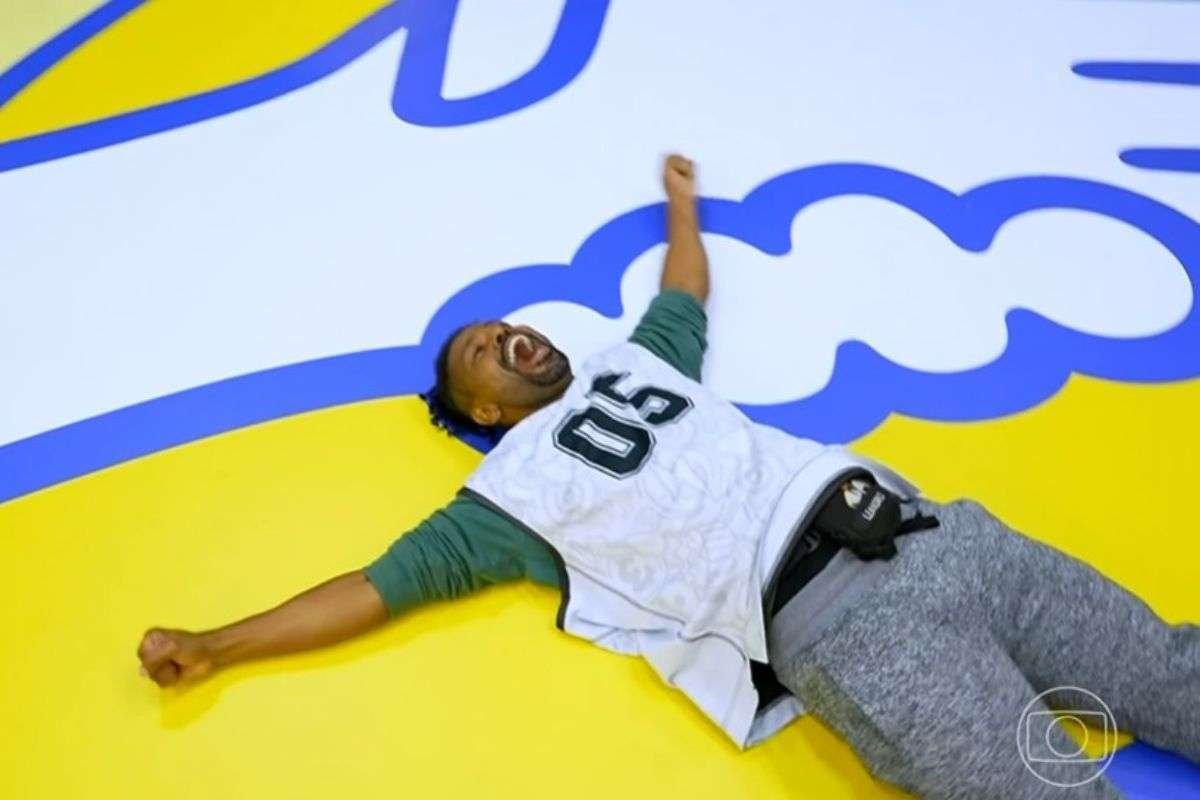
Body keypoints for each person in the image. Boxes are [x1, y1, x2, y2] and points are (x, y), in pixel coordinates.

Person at [137, 155, 1199, 799]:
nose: (507, 337)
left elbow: (681, 291)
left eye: (506, 327)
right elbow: (373, 587)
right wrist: (216, 642)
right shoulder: (505, 503)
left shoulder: (637, 363)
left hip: (938, 533)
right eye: (482, 352)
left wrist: (680, 202)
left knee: (1170, 670)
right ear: (483, 412)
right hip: (851, 630)